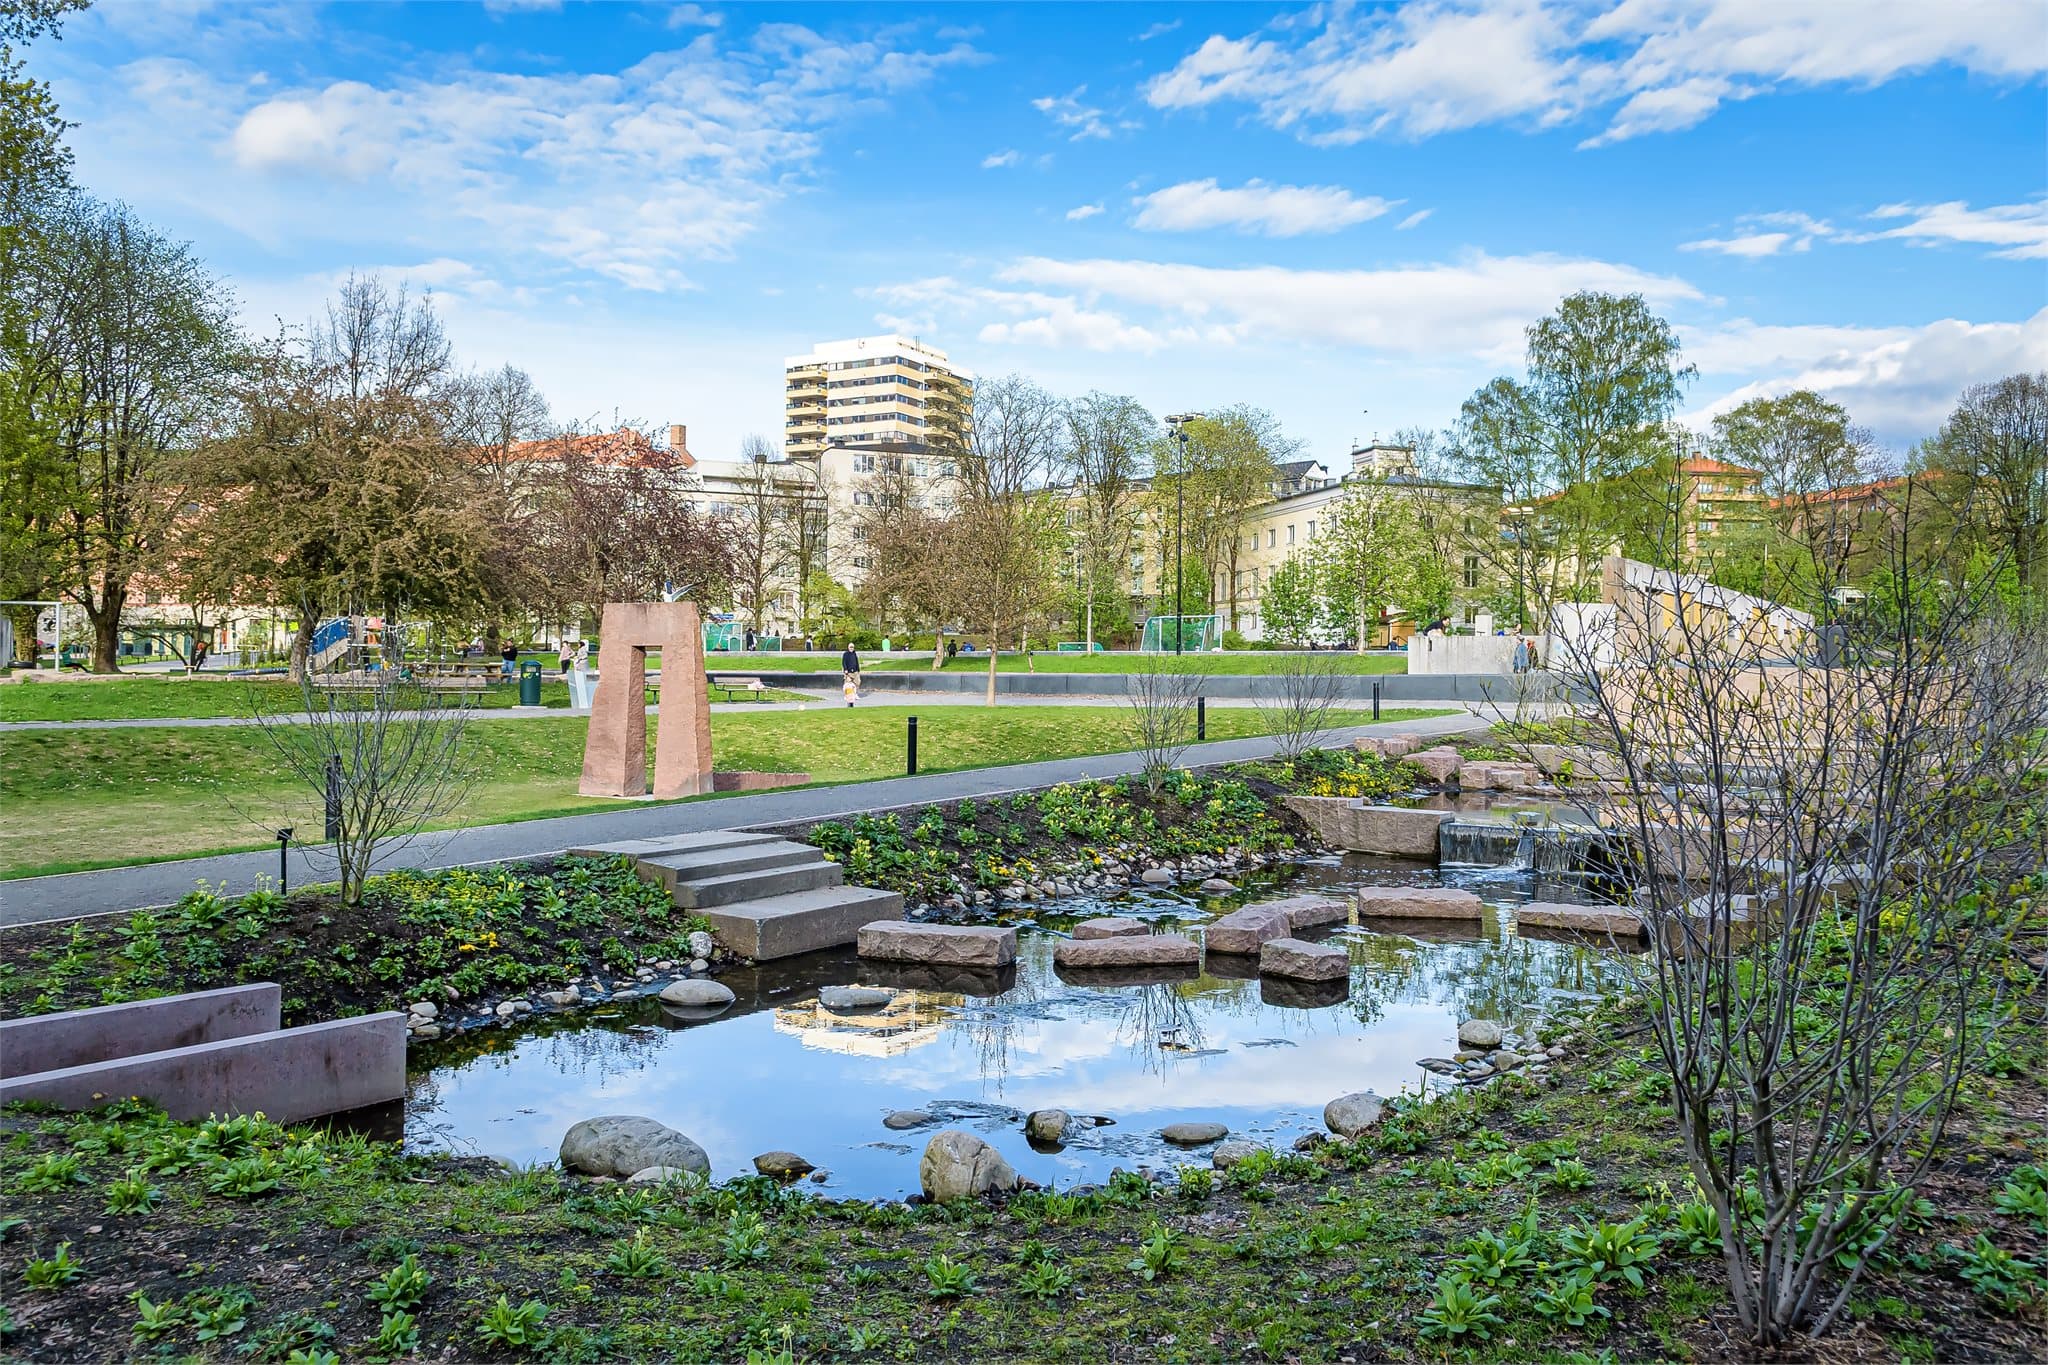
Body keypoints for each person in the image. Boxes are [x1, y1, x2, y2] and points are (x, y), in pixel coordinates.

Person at [841, 643, 860, 708]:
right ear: (848, 647)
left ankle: (855, 694)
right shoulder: (846, 654)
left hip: (855, 671)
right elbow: (844, 662)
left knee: (857, 682)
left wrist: (858, 669)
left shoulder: (854, 654)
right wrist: (845, 669)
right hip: (848, 671)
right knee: (847, 684)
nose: (851, 648)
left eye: (852, 647)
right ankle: (847, 695)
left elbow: (856, 661)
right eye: (850, 647)